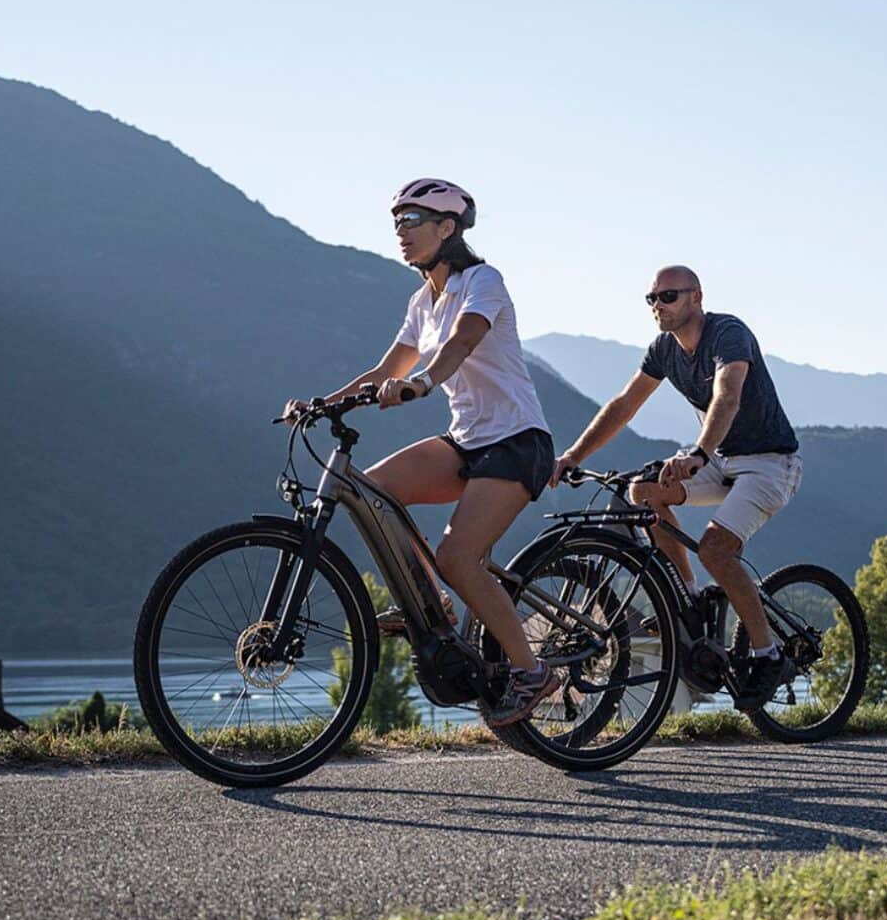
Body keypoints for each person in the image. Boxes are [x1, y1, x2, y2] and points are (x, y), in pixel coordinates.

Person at [286, 179, 557, 727]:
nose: (400, 232)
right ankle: (435, 602)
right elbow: (387, 370)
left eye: (412, 221)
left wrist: (425, 384)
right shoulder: (421, 300)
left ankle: (533, 671)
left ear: (448, 228)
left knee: (459, 557)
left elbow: (464, 341)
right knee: (372, 491)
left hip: (516, 441)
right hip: (467, 440)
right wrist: (324, 403)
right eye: (396, 223)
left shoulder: (483, 281)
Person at [552, 266, 803, 705]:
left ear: (696, 297)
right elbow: (624, 406)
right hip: (719, 458)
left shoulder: (727, 333)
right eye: (651, 299)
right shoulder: (664, 348)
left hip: (769, 463)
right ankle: (686, 598)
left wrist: (699, 453)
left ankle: (769, 655)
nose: (657, 307)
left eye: (668, 296)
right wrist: (574, 456)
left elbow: (728, 395)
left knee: (715, 549)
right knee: (642, 493)